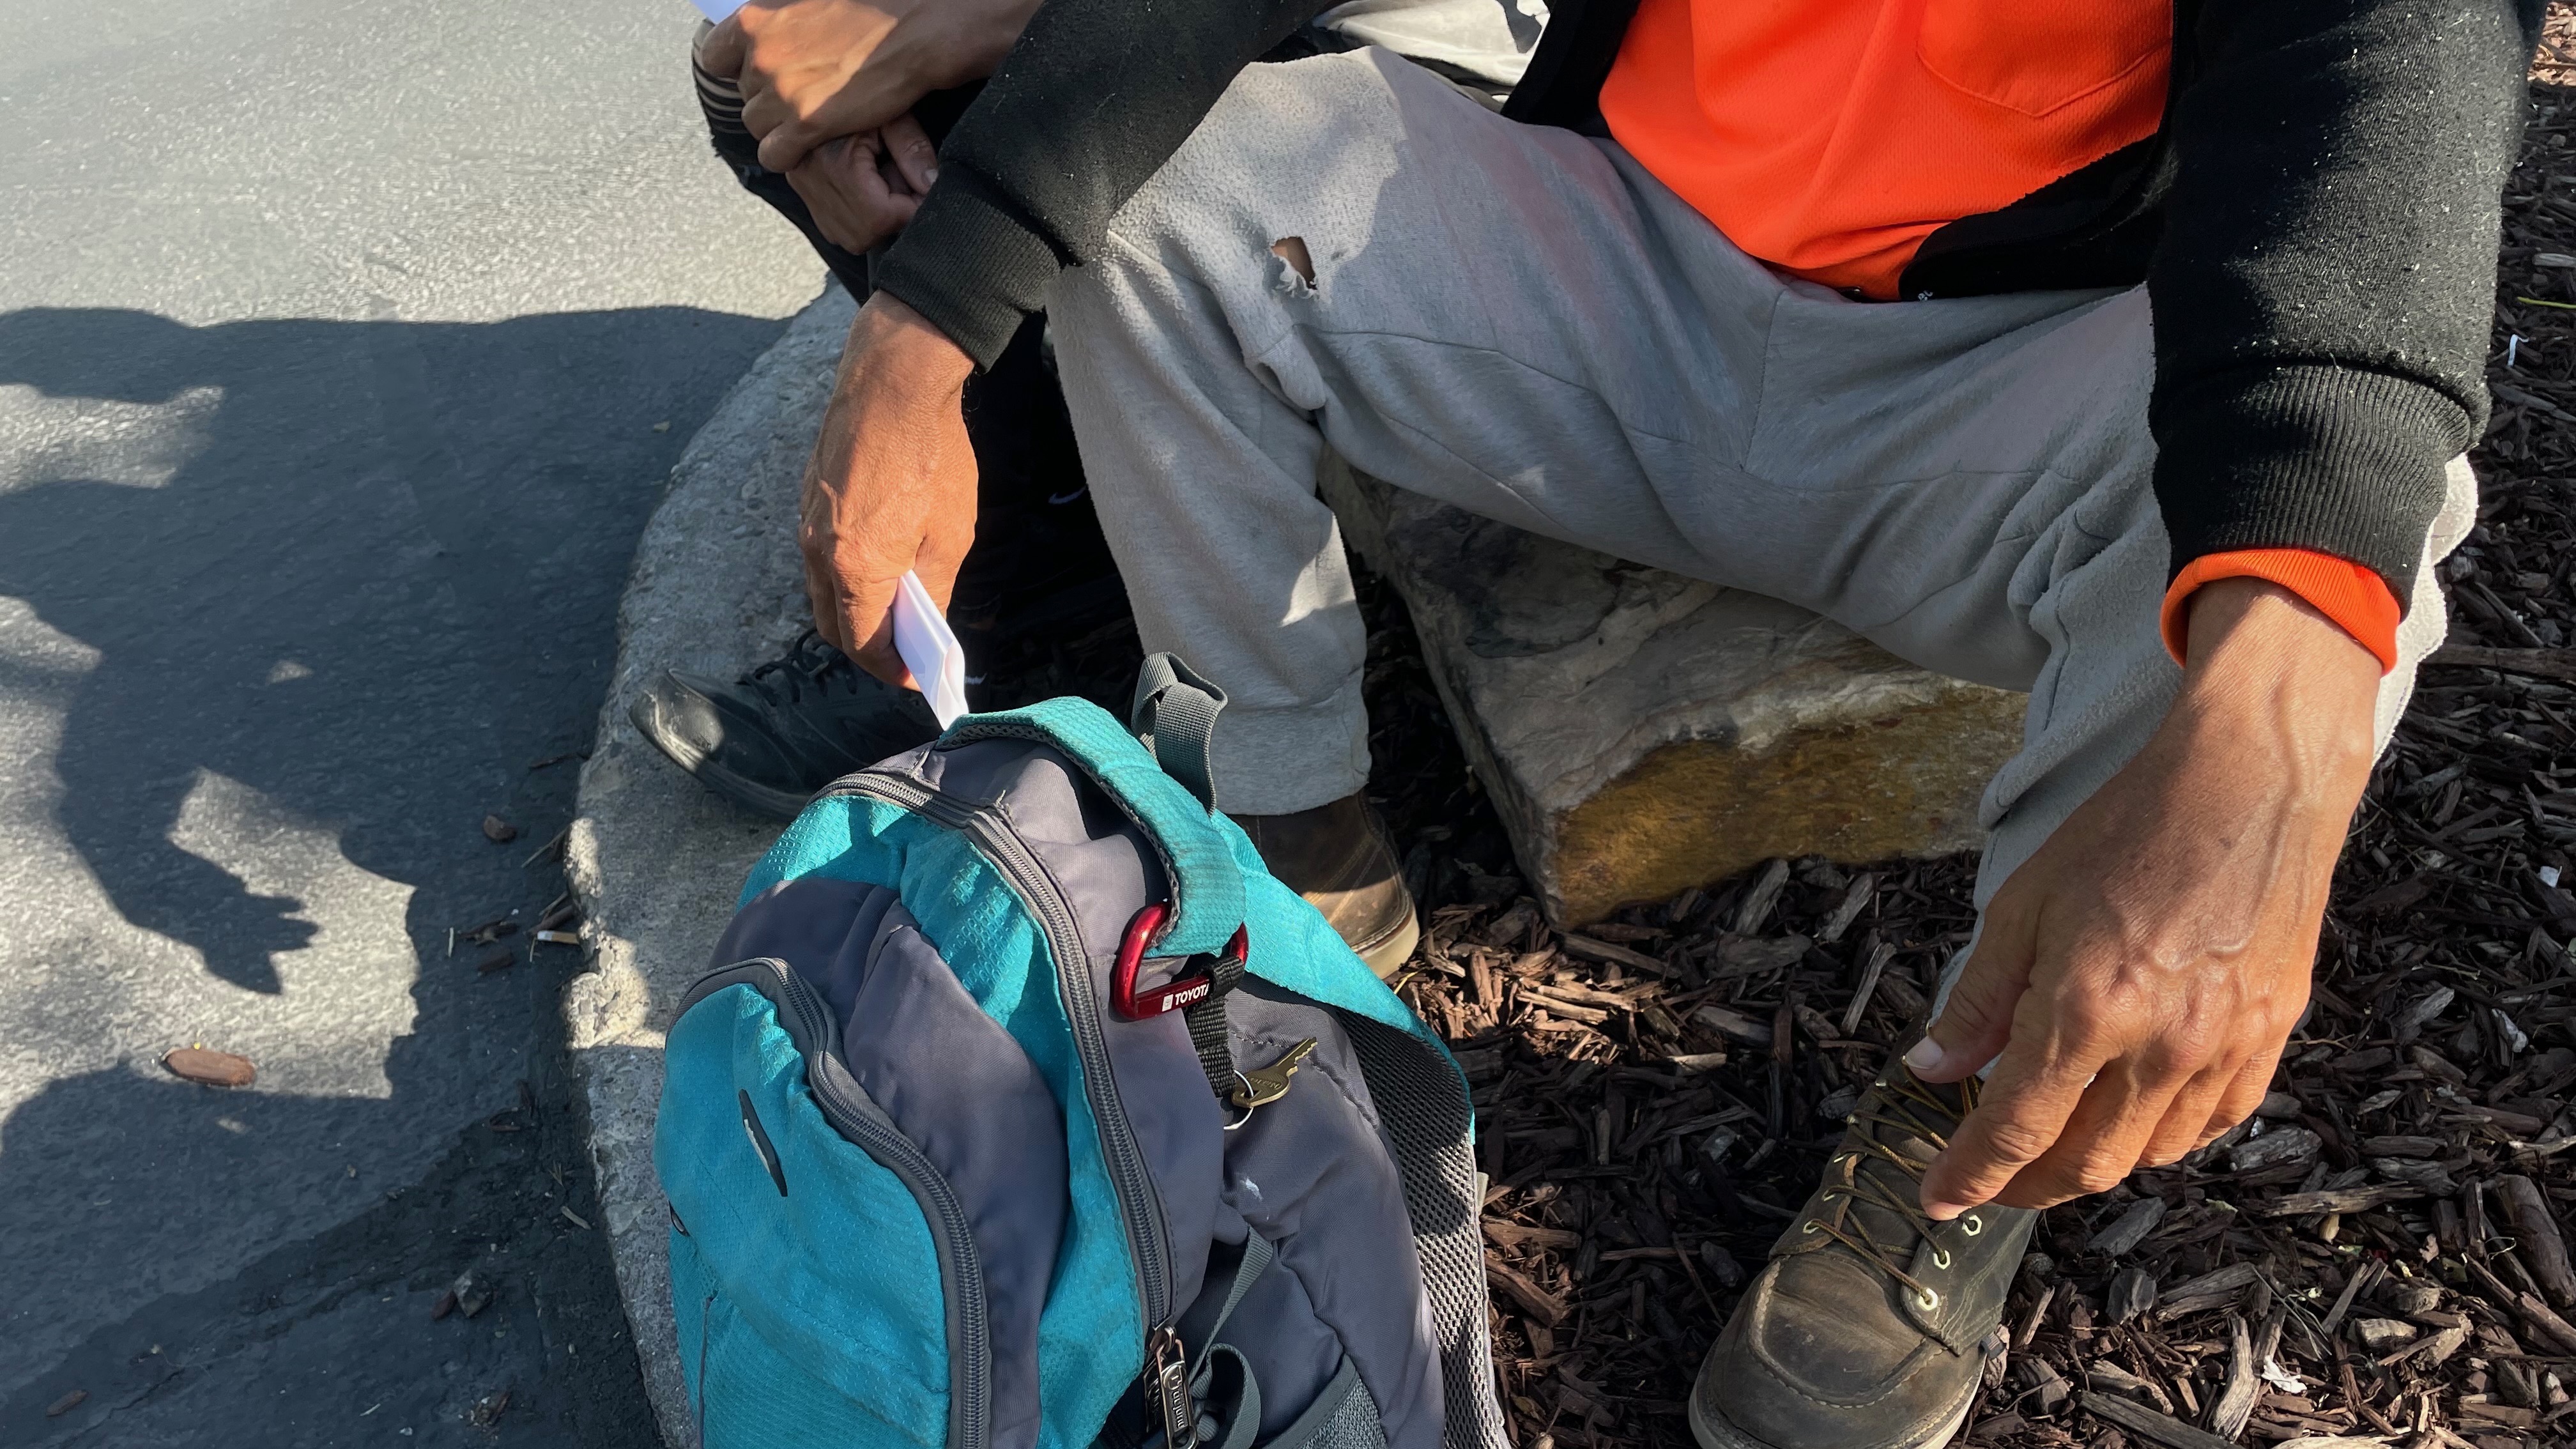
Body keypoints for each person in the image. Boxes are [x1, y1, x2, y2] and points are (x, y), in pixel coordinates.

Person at [782, 0, 2542, 1443]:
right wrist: (930, 329)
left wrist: (2270, 748)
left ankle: (1972, 1132)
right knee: (1175, 190)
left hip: (2010, 372)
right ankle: (1300, 843)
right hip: (1626, 276)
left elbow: (2387, 77)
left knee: (2330, 560)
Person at [631, 0, 1549, 974]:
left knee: (1088, 140)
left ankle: (1271, 807)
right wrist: (842, 87)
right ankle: (1037, 562)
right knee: (763, 66)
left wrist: (917, 328)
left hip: (1456, 75)